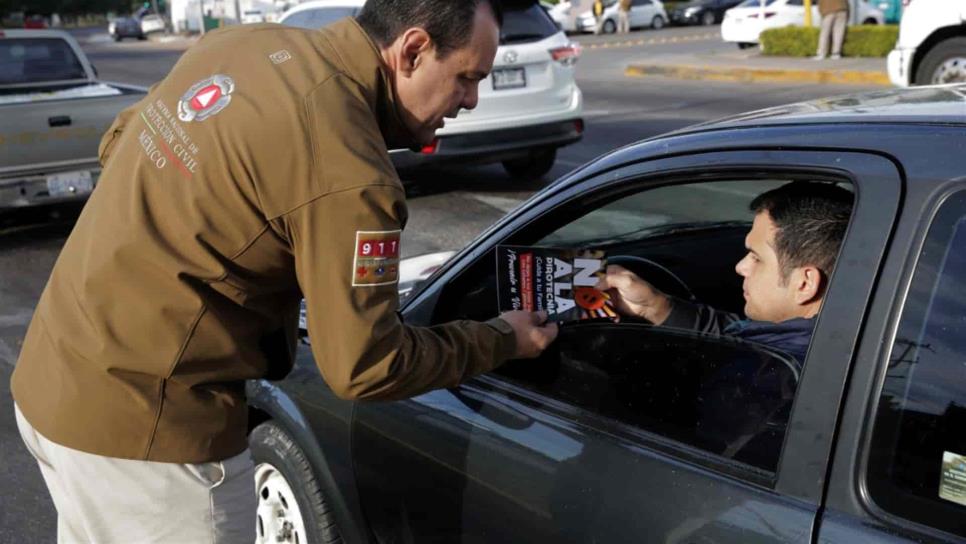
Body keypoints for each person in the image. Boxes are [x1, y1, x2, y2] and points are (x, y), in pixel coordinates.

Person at [11, 0, 558, 541]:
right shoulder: (352, 173)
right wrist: (500, 339)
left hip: (53, 382)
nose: (471, 100)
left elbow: (118, 145)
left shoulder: (237, 44)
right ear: (413, 50)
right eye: (466, 78)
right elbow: (366, 364)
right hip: (150, 444)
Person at [596, 181, 853, 363]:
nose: (741, 267)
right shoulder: (850, 336)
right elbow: (742, 340)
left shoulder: (774, 380)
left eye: (756, 257)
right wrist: (656, 308)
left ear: (805, 283)